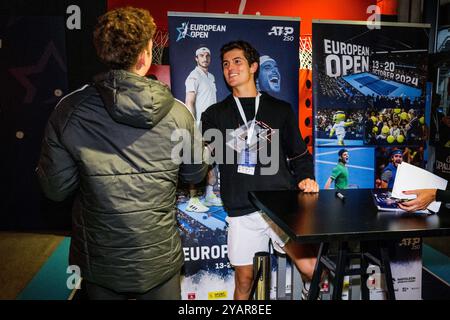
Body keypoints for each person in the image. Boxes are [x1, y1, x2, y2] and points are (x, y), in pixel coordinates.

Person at [36, 7, 208, 300]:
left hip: (100, 263)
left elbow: (55, 189)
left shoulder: (69, 110)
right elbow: (194, 173)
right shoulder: (180, 114)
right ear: (145, 54)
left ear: (103, 52)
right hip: (158, 261)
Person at [200, 40, 319, 300]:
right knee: (244, 281)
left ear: (253, 66)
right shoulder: (214, 114)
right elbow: (206, 152)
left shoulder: (281, 110)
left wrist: (307, 178)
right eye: (225, 64)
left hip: (281, 206)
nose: (230, 68)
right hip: (242, 207)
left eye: (237, 61)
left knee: (311, 269)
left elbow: (299, 154)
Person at [185, 46, 222, 212]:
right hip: (199, 125)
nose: (205, 58)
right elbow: (190, 102)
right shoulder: (193, 76)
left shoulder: (211, 76)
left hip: (212, 125)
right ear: (196, 58)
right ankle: (192, 200)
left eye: (208, 55)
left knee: (211, 161)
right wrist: (192, 125)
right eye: (201, 55)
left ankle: (209, 195)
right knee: (195, 162)